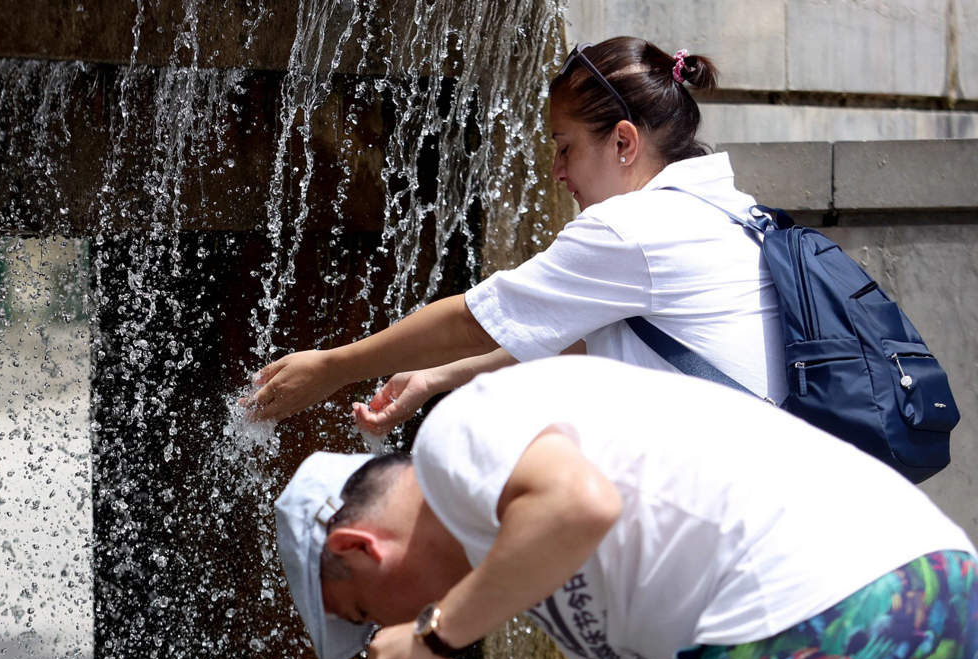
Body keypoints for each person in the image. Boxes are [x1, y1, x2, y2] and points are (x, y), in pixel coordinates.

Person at [274, 356, 978, 659]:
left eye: (367, 617)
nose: (384, 634)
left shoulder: (453, 437)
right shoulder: (539, 583)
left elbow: (580, 505)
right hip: (940, 597)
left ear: (360, 548)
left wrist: (431, 637)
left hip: (806, 613)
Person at [250, 38, 786, 431]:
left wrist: (332, 366)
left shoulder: (632, 231)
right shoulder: (727, 212)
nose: (556, 170)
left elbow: (473, 319)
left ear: (623, 142)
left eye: (565, 146)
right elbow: (572, 333)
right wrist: (436, 377)